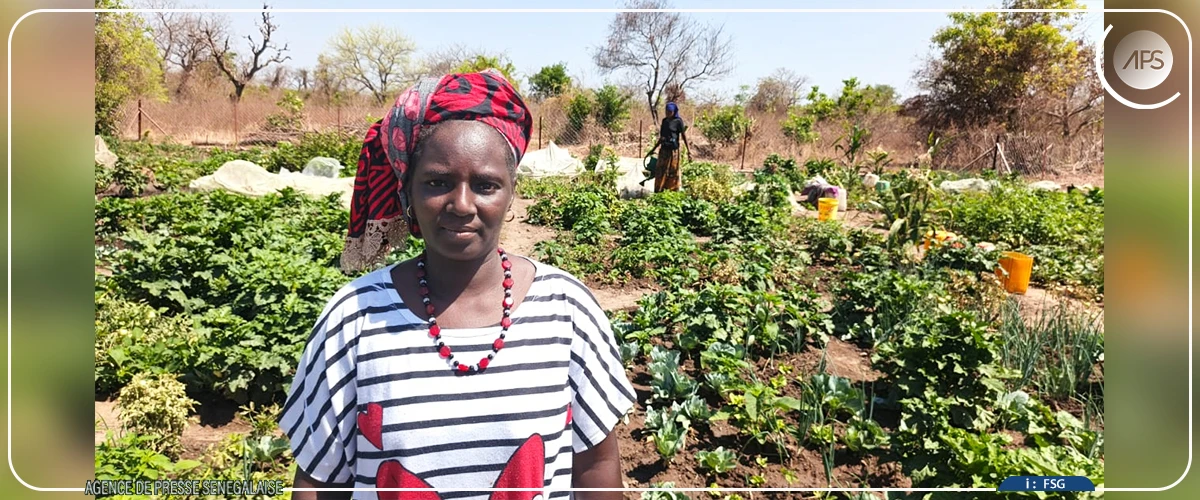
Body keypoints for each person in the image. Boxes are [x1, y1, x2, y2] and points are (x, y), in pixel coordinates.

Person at [280, 69, 636, 500]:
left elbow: (596, 464)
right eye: (437, 182)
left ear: (511, 192)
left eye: (485, 185)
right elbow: (319, 484)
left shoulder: (566, 308)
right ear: (406, 191)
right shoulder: (354, 318)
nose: (462, 205)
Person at [652, 101, 689, 192]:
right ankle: (659, 191)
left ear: (674, 112)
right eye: (666, 111)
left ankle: (672, 191)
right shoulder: (664, 121)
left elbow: (683, 136)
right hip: (664, 150)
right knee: (661, 171)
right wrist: (653, 148)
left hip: (674, 151)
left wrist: (689, 150)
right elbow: (662, 137)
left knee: (673, 171)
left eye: (670, 112)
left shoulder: (678, 121)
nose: (667, 113)